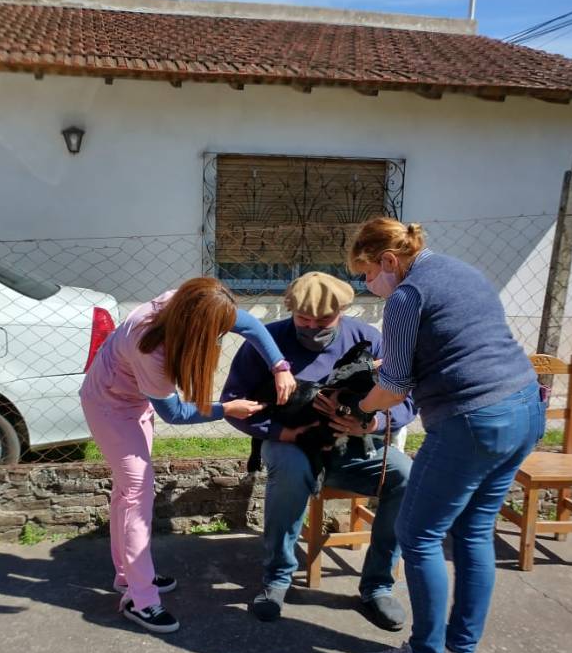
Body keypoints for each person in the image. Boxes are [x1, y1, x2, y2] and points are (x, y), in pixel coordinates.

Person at [350, 218, 545, 653]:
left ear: (389, 261)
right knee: (475, 532)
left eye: (366, 273)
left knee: (417, 534)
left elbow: (393, 387)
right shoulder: (464, 271)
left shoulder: (405, 296)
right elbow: (458, 343)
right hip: (524, 409)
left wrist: (360, 408)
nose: (367, 285)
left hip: (471, 421)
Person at [80, 277, 296, 634]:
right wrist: (227, 409)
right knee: (137, 493)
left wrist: (280, 367)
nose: (217, 340)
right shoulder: (150, 346)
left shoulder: (189, 304)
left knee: (127, 493)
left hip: (134, 403)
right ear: (195, 325)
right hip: (108, 406)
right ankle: (141, 599)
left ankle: (128, 578)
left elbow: (253, 325)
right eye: (214, 335)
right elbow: (176, 413)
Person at [221, 271, 416, 628]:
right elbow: (233, 402)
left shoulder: (368, 339)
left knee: (405, 476)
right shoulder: (266, 341)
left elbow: (407, 399)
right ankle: (277, 577)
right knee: (292, 470)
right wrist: (282, 431)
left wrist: (370, 423)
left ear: (344, 309)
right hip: (290, 443)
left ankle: (377, 586)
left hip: (353, 446)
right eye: (303, 320)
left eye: (323, 320)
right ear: (289, 309)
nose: (312, 327)